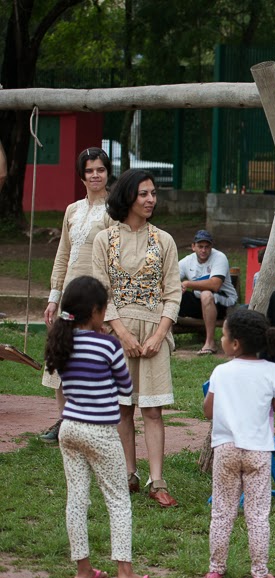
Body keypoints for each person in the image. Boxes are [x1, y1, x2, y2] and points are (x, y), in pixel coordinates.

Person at [43, 275, 163, 578]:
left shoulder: (62, 341)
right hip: (100, 431)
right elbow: (126, 386)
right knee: (117, 499)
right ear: (96, 311)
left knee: (77, 497)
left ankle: (83, 570)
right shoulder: (108, 344)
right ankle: (125, 572)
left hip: (68, 429)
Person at [92, 169, 182, 508]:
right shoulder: (105, 240)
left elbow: (173, 293)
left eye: (153, 194)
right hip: (117, 334)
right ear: (128, 196)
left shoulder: (165, 240)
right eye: (144, 193)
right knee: (122, 408)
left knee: (153, 410)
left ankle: (157, 480)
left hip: (154, 333)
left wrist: (160, 334)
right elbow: (102, 290)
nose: (150, 200)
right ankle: (128, 473)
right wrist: (122, 333)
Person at [203, 308, 275, 578]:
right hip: (258, 451)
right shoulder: (274, 372)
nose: (222, 339)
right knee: (257, 513)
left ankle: (216, 569)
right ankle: (260, 574)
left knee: (222, 510)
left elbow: (208, 411)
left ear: (235, 343)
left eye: (224, 335)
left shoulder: (221, 372)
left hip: (226, 448)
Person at [39, 147, 114, 443]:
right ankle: (64, 421)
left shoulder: (114, 211)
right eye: (89, 171)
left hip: (97, 295)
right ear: (81, 176)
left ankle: (95, 421)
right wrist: (53, 296)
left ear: (108, 172)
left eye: (100, 169)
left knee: (93, 357)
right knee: (62, 353)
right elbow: (63, 253)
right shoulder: (72, 210)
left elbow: (114, 258)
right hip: (69, 292)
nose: (95, 175)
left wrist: (108, 306)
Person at [178, 230, 239, 355]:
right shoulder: (187, 261)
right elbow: (169, 279)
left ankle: (210, 343)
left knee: (206, 294)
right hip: (200, 301)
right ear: (193, 247)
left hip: (225, 304)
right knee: (171, 294)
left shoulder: (219, 257)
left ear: (211, 247)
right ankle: (165, 340)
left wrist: (187, 284)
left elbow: (215, 285)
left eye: (207, 247)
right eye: (200, 246)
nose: (204, 250)